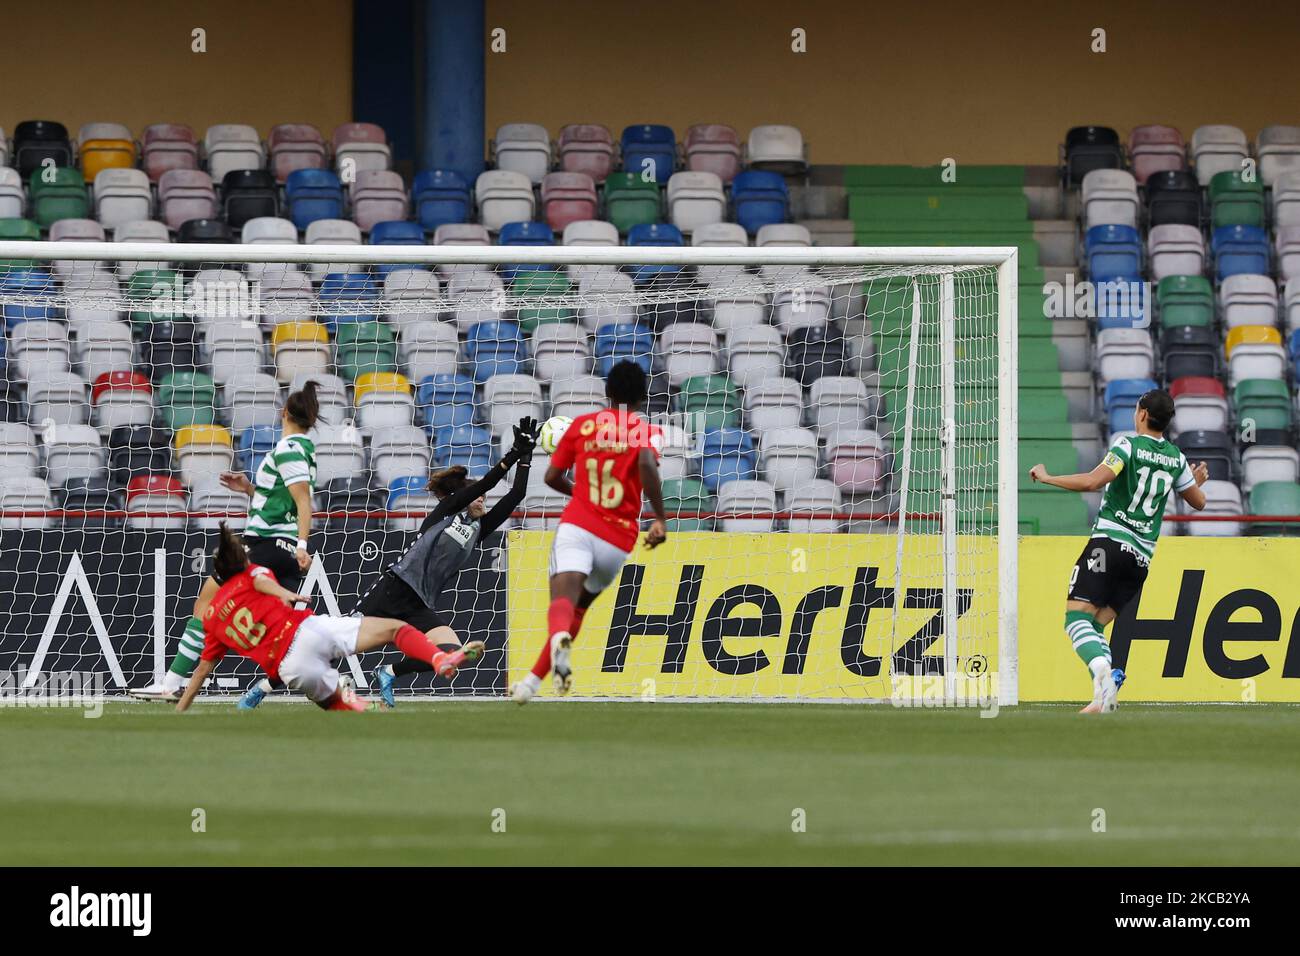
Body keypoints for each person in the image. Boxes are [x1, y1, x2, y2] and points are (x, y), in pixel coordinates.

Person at [237, 417, 540, 709]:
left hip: (419, 603)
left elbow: (517, 494)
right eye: (477, 497)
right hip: (393, 588)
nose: (482, 500)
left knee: (451, 652)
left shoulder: (478, 529)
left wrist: (525, 457)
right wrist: (512, 453)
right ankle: (261, 689)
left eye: (484, 499)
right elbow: (485, 482)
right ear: (457, 496)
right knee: (327, 649)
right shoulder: (446, 512)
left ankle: (389, 673)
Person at [131, 380, 321, 702]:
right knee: (283, 629)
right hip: (283, 550)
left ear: (284, 412)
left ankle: (171, 683)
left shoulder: (288, 449)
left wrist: (303, 545)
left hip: (265, 545)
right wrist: (249, 489)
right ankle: (324, 681)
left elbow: (303, 502)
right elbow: (283, 500)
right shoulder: (305, 450)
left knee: (206, 605)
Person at [1029, 388, 1208, 714]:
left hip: (1109, 545)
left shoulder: (1127, 445)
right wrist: (1194, 481)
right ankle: (1103, 697)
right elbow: (1198, 502)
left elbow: (1093, 482)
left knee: (1075, 619)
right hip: (1140, 559)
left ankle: (1103, 674)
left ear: (1141, 414)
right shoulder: (1176, 458)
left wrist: (1047, 477)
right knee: (1096, 625)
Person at [176, 524, 472, 713]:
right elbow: (263, 582)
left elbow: (202, 670)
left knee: (333, 703)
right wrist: (284, 593)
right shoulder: (251, 575)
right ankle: (437, 659)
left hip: (291, 667)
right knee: (396, 629)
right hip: (309, 630)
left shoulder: (213, 620)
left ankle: (361, 707)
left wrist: (180, 710)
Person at [512, 361, 668, 705]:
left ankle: (558, 641)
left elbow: (552, 477)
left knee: (563, 603)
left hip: (579, 526)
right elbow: (645, 464)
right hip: (618, 539)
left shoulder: (583, 426)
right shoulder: (649, 432)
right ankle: (530, 684)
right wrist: (660, 518)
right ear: (642, 397)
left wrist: (581, 492)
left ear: (607, 393)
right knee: (580, 609)